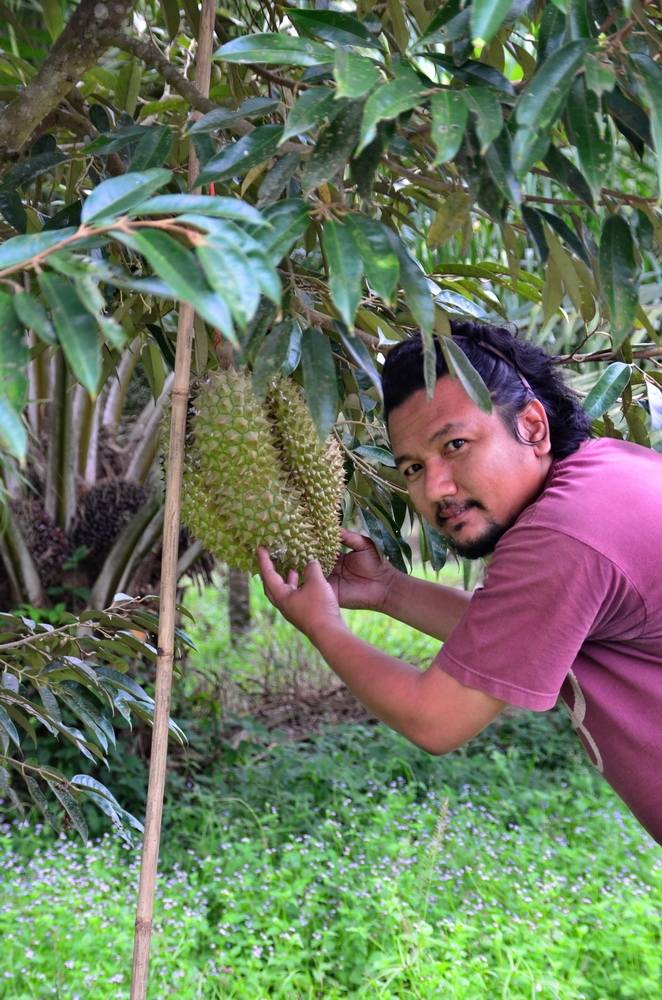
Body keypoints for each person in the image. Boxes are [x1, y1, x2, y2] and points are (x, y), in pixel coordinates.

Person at [257, 319, 662, 844]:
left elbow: (436, 720)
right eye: (411, 469)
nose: (436, 488)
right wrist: (386, 589)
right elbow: (517, 633)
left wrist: (323, 627)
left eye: (454, 445)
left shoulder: (564, 535)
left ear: (533, 427)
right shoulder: (604, 471)